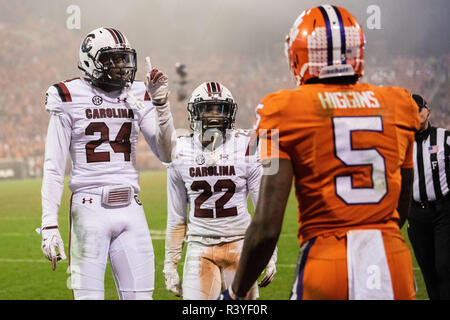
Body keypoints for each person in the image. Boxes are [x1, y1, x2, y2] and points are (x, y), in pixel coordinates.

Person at [220, 5, 420, 300]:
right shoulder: (400, 104)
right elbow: (403, 200)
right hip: (392, 262)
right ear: (357, 51)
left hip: (328, 263)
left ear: (299, 54)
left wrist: (235, 295)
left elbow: (266, 226)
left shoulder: (281, 109)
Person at [38, 27, 176, 300]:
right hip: (89, 209)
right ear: (91, 60)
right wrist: (49, 224)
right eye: (113, 59)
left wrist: (162, 107)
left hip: (131, 208)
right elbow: (54, 165)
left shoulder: (136, 93)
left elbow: (167, 154)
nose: (122, 67)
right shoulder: (68, 95)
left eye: (124, 59)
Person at [164, 81, 277, 300]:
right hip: (200, 247)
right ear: (195, 113)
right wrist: (170, 264)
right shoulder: (180, 149)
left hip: (241, 245)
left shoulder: (248, 145)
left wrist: (269, 254)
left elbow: (263, 208)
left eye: (221, 109)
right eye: (208, 109)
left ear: (231, 113)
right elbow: (176, 217)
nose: (215, 115)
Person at [407, 94, 450, 300]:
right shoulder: (402, 144)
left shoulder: (445, 138)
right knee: (428, 271)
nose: (416, 114)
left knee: (444, 266)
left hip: (443, 212)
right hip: (416, 215)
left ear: (427, 110)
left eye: (419, 109)